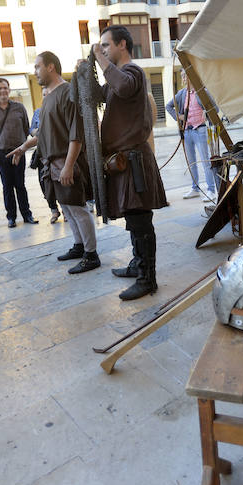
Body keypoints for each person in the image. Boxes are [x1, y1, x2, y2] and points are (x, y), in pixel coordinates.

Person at [85, 25, 168, 300]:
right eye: (102, 47)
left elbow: (121, 86)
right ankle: (137, 265)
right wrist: (86, 78)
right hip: (123, 160)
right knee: (134, 220)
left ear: (122, 45)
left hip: (133, 160)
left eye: (106, 45)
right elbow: (104, 95)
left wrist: (100, 59)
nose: (103, 50)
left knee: (141, 220)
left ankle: (148, 279)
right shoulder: (118, 77)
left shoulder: (132, 72)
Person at [11, 51, 100, 274]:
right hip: (52, 164)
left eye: (37, 67)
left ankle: (91, 255)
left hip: (66, 162)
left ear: (51, 67)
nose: (35, 72)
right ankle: (80, 247)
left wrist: (69, 165)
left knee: (78, 209)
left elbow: (76, 134)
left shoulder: (68, 92)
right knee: (68, 210)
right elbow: (44, 132)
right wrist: (24, 147)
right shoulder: (48, 95)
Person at [0, 78, 37, 227]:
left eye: (5, 88)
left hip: (19, 151)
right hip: (2, 154)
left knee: (20, 185)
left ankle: (27, 215)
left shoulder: (19, 107)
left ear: (9, 89)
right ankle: (11, 217)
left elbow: (26, 127)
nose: (3, 91)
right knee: (7, 186)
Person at [165, 68, 218, 201]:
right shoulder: (182, 93)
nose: (183, 79)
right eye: (182, 76)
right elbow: (169, 106)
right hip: (187, 131)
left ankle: (211, 190)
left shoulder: (202, 92)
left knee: (205, 161)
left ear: (191, 77)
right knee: (191, 162)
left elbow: (215, 109)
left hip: (200, 130)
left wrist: (207, 113)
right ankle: (195, 188)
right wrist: (180, 117)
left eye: (185, 76)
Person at [30, 97, 61, 224]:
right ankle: (53, 210)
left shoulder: (59, 110)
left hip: (58, 152)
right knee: (44, 183)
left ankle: (65, 209)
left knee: (60, 181)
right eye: (43, 94)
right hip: (42, 154)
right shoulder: (38, 112)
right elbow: (32, 130)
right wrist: (41, 130)